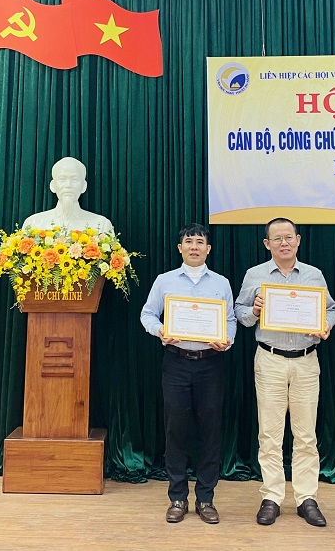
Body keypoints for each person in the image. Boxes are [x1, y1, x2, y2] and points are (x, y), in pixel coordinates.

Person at [235, 217, 335, 527]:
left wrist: (325, 325)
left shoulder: (313, 275)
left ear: (298, 240)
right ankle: (272, 497)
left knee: (306, 434)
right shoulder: (255, 275)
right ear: (267, 244)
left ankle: (307, 498)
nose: (284, 243)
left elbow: (330, 309)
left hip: (306, 360)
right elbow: (240, 313)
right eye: (277, 238)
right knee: (269, 433)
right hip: (270, 359)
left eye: (288, 237)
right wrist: (255, 310)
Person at [140, 223, 236, 524]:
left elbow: (230, 319)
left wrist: (227, 339)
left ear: (209, 249)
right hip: (176, 362)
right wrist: (160, 330)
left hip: (211, 363)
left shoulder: (221, 283)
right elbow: (147, 314)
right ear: (180, 248)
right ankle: (178, 497)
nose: (195, 246)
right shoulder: (165, 280)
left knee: (210, 430)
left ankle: (206, 499)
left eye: (200, 242)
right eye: (189, 241)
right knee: (175, 429)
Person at [22, 157, 114, 233]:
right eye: (62, 179)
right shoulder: (33, 223)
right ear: (53, 186)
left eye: (75, 180)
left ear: (83, 186)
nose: (68, 185)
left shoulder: (101, 225)